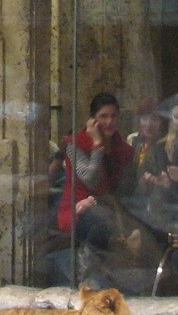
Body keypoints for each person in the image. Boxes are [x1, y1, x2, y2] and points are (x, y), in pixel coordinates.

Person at [55, 92, 136, 270]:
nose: (109, 121)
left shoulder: (123, 149)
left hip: (110, 207)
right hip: (78, 208)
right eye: (103, 116)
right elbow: (90, 180)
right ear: (93, 120)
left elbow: (127, 187)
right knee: (98, 226)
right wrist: (97, 144)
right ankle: (114, 251)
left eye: (114, 116)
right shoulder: (75, 144)